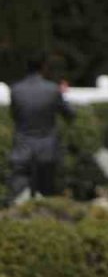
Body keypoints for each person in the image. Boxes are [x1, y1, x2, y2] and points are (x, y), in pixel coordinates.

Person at [6, 55, 74, 201]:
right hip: (47, 149)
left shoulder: (16, 89)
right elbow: (69, 114)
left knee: (18, 195)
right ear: (43, 67)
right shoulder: (52, 89)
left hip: (22, 147)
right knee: (47, 194)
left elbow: (14, 115)